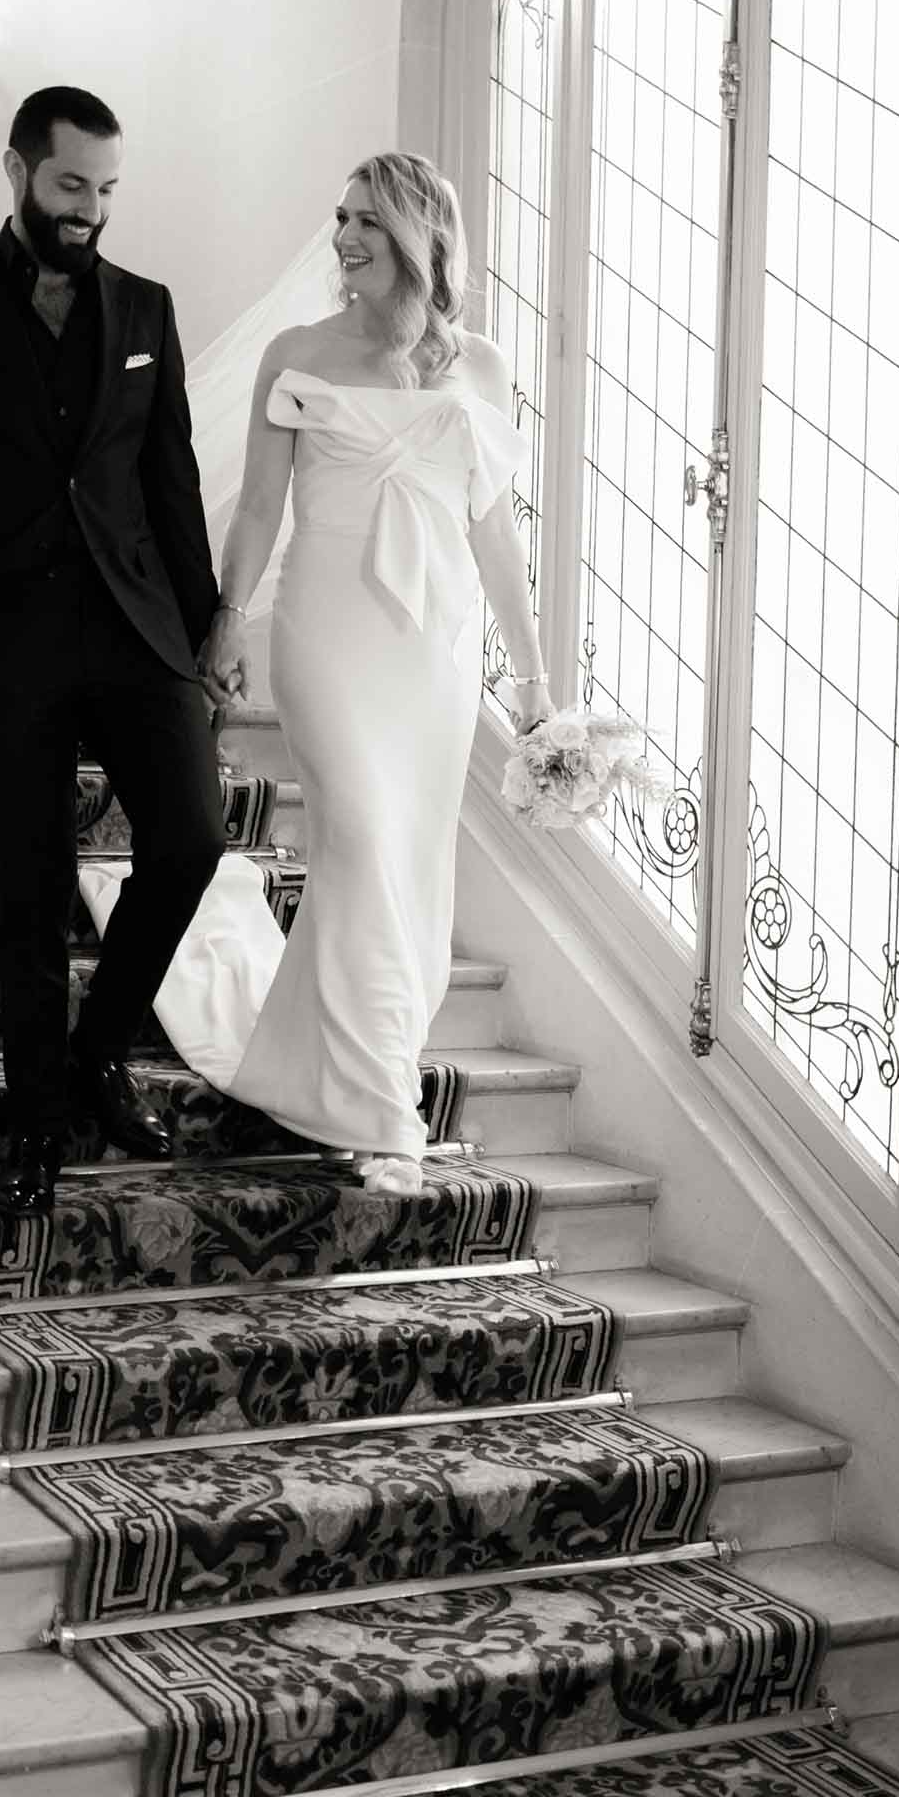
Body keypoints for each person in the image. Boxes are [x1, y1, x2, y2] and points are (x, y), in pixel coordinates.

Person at [0, 85, 225, 1216]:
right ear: (17, 171)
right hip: (6, 643)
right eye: (72, 186)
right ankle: (34, 1122)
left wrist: (206, 624)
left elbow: (171, 480)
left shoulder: (148, 309)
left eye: (108, 190)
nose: (91, 211)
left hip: (136, 629)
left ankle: (95, 1056)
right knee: (32, 887)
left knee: (190, 842)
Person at [194, 151, 553, 1190]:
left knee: (408, 862)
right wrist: (228, 621)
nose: (344, 238)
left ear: (418, 241)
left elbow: (493, 532)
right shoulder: (295, 352)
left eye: (367, 222)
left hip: (430, 652)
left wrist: (530, 680)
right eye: (340, 217)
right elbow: (260, 507)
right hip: (326, 631)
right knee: (354, 835)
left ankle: (334, 1067)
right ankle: (382, 1111)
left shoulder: (478, 367)